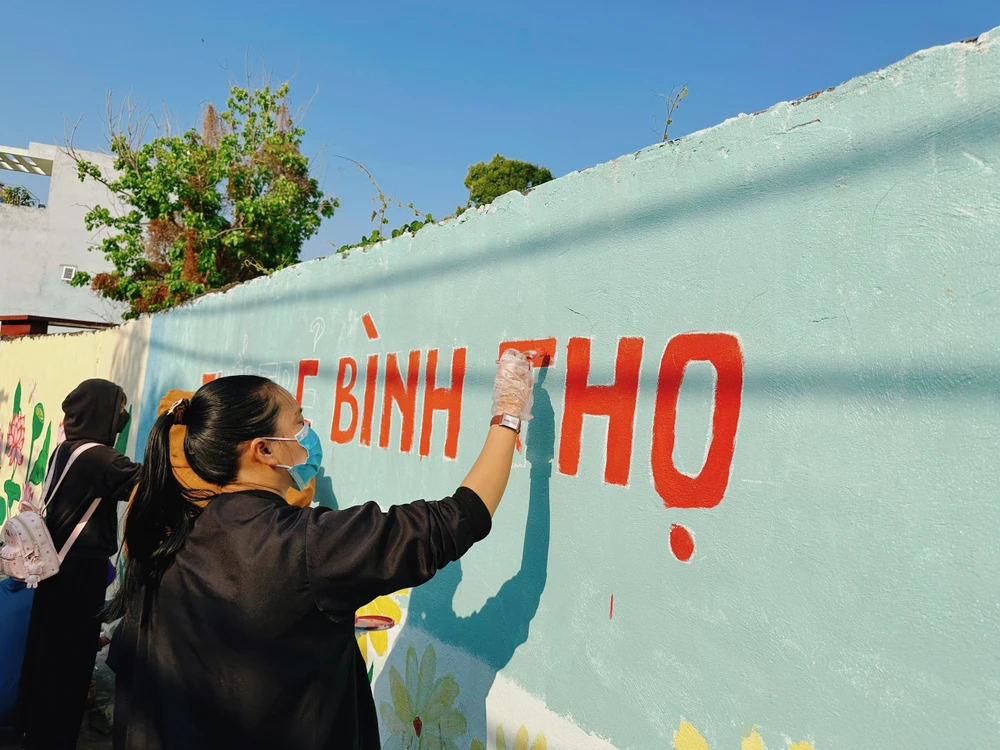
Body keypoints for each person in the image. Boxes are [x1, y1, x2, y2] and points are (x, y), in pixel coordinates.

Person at [109, 350, 535, 749]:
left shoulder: (169, 537)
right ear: (264, 449)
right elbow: (460, 517)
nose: (308, 433)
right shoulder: (301, 544)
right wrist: (509, 414)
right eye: (298, 423)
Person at [17, 378, 141, 750]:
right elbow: (153, 485)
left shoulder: (66, 450)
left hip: (55, 566)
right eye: (119, 409)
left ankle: (35, 730)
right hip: (79, 575)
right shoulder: (101, 458)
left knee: (47, 655)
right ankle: (55, 737)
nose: (122, 417)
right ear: (102, 411)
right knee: (70, 663)